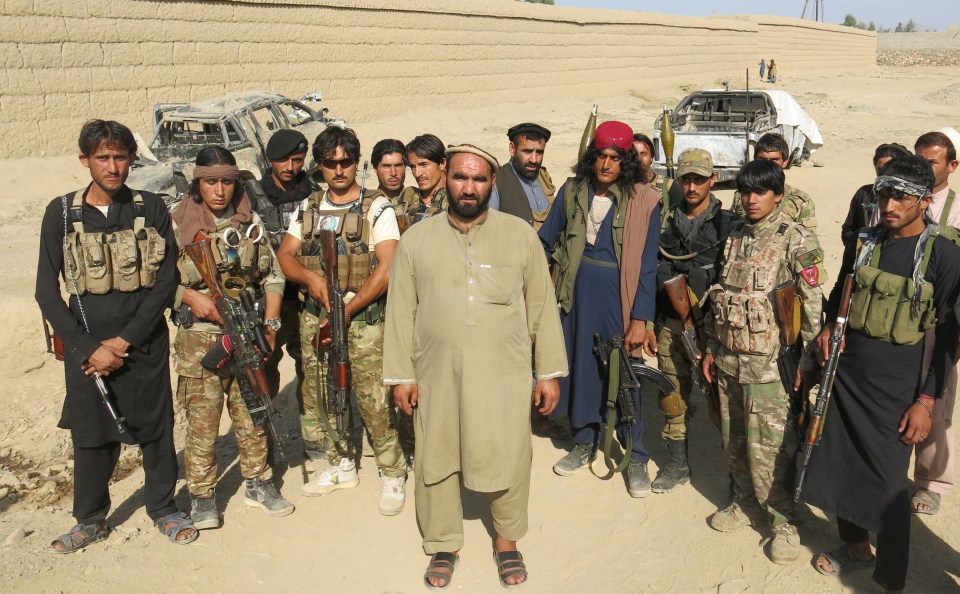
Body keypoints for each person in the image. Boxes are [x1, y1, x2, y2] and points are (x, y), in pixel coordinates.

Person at [384, 144, 567, 590]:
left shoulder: (519, 235)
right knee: (437, 455)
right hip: (436, 374)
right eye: (461, 178)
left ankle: (507, 541)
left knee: (508, 454)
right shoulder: (416, 240)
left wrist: (547, 373)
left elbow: (541, 308)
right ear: (446, 178)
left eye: (479, 179)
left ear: (491, 183)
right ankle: (444, 542)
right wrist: (402, 376)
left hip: (503, 376)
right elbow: (401, 311)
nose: (470, 188)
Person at [36, 120, 197, 552]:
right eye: (103, 157)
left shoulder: (150, 207)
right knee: (91, 435)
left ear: (131, 159)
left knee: (156, 430)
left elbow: (165, 283)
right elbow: (46, 292)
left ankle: (163, 508)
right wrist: (89, 347)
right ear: (85, 160)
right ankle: (89, 519)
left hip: (142, 343)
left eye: (120, 156)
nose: (112, 167)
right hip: (86, 349)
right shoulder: (62, 212)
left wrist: (124, 342)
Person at [804, 155, 960, 593]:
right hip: (848, 375)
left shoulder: (943, 252)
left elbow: (949, 337)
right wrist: (829, 328)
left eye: (901, 196)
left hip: (897, 385)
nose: (889, 204)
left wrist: (926, 401)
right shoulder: (865, 241)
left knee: (889, 486)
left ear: (924, 201)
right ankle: (854, 547)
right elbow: (840, 290)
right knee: (839, 465)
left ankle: (890, 580)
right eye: (884, 193)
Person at [276, 126, 407, 515]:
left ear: (356, 162)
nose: (338, 169)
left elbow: (387, 266)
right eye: (330, 163)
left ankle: (392, 471)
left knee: (373, 400)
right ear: (320, 166)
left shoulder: (376, 209)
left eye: (346, 161)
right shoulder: (309, 208)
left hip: (362, 321)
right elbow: (286, 255)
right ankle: (341, 463)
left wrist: (346, 311)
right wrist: (310, 278)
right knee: (323, 392)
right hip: (316, 318)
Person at [701, 159, 825, 564]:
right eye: (746, 191)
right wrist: (710, 349)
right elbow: (722, 297)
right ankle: (745, 502)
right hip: (728, 359)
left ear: (777, 194)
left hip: (770, 366)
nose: (751, 199)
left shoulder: (796, 240)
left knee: (771, 448)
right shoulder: (735, 235)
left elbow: (810, 310)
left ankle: (784, 520)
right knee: (733, 438)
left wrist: (808, 367)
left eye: (760, 192)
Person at [171, 146, 295, 527]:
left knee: (252, 412)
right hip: (200, 339)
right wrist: (188, 296)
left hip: (246, 331)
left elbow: (273, 276)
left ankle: (259, 482)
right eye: (211, 182)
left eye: (227, 182)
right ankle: (203, 496)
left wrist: (271, 325)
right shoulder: (177, 223)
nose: (220, 190)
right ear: (198, 183)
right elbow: (159, 283)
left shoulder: (248, 221)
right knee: (203, 423)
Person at [539, 120, 661, 497]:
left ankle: (636, 454)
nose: (606, 164)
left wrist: (640, 318)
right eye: (601, 156)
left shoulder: (645, 198)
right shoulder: (573, 190)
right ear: (592, 157)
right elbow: (545, 241)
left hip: (618, 296)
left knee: (624, 373)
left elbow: (647, 265)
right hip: (575, 292)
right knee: (579, 369)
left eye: (615, 158)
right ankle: (584, 440)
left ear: (626, 162)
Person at [651, 148, 734, 493]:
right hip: (670, 324)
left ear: (712, 180)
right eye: (686, 179)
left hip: (712, 330)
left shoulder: (727, 224)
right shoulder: (665, 221)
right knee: (672, 393)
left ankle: (737, 474)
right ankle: (676, 464)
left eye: (699, 179)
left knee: (723, 403)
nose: (692, 186)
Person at [244, 130, 313, 456]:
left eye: (297, 160)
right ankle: (265, 447)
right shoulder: (250, 194)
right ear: (270, 160)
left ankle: (313, 439)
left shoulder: (312, 193)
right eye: (284, 159)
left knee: (310, 369)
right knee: (264, 371)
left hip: (302, 297)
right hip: (265, 300)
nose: (290, 165)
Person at [911, 130, 959, 515]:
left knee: (937, 400)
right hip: (902, 314)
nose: (925, 168)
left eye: (933, 162)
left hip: (942, 319)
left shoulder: (958, 209)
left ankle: (931, 481)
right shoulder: (903, 200)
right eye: (919, 159)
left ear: (952, 166)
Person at [371, 137, 417, 466]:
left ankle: (411, 441)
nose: (393, 172)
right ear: (375, 168)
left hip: (409, 305)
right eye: (386, 166)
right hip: (374, 303)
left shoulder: (416, 201)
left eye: (399, 165)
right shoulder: (366, 205)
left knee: (410, 372)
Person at [733, 133, 817, 232]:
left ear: (785, 162)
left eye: (774, 160)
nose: (767, 164)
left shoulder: (799, 200)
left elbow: (807, 238)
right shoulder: (742, 196)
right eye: (762, 159)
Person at [840, 143, 912, 247]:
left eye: (888, 168)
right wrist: (858, 247)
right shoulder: (864, 193)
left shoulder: (910, 197)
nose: (883, 173)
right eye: (880, 168)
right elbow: (848, 229)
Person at [490, 122, 556, 230]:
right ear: (512, 149)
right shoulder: (497, 182)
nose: (534, 160)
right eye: (527, 151)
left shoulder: (544, 178)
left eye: (539, 152)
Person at [392, 134, 448, 226]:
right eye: (413, 167)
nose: (417, 173)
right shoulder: (404, 199)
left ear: (442, 163)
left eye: (424, 164)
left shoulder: (456, 201)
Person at [633, 133, 682, 208]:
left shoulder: (668, 186)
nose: (639, 159)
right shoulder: (621, 187)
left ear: (651, 158)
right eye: (634, 154)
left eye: (643, 154)